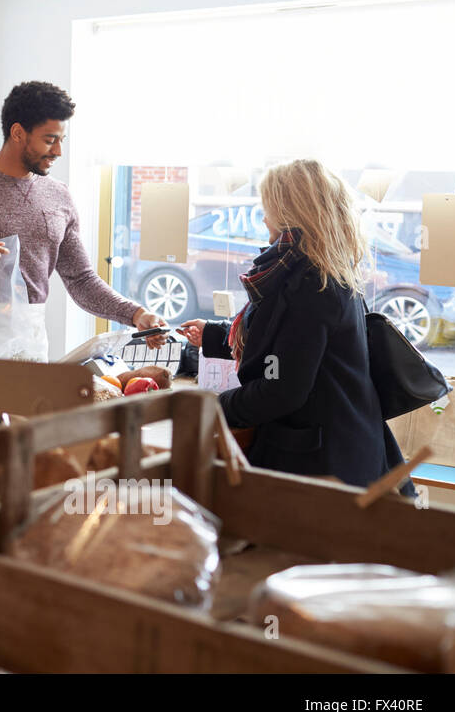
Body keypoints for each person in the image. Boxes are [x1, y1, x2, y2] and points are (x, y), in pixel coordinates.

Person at [177, 159, 413, 493]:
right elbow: (285, 342)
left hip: (321, 463)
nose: (262, 216)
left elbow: (282, 389)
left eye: (268, 206)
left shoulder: (309, 285)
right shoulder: (323, 270)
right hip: (344, 444)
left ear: (290, 212)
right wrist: (214, 335)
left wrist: (209, 407)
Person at [0, 81, 166, 370]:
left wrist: (136, 313)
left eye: (62, 139)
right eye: (50, 139)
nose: (59, 151)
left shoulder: (59, 196)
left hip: (31, 345)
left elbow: (82, 280)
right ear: (17, 133)